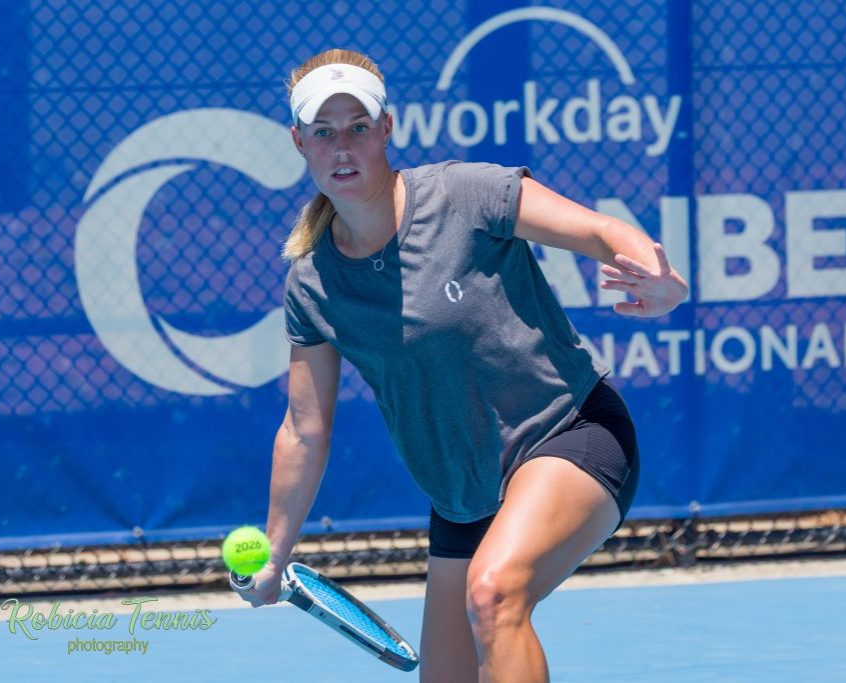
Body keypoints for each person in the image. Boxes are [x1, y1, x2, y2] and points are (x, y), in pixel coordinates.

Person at [234, 48, 687, 683]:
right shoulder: (313, 283)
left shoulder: (466, 194)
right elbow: (305, 430)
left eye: (358, 127)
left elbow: (599, 231)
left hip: (572, 435)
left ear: (386, 130)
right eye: (324, 132)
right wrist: (277, 554)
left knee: (494, 594)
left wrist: (655, 274)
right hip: (464, 494)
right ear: (299, 142)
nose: (343, 147)